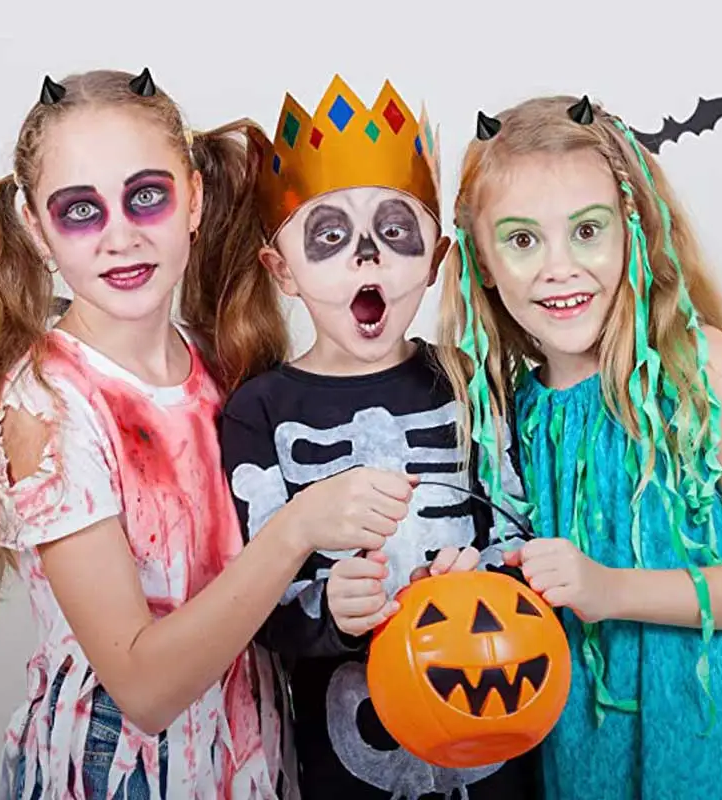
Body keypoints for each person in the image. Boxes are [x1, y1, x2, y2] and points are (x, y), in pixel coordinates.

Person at [0, 68, 411, 800]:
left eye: (147, 196)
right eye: (80, 210)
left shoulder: (221, 364)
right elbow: (144, 689)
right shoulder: (48, 409)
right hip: (116, 773)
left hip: (248, 760)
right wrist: (295, 530)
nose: (121, 237)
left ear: (193, 199)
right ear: (37, 229)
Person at [219, 74, 539, 800]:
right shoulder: (257, 411)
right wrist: (327, 611)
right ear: (282, 270)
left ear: (436, 260)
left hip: (494, 726)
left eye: (395, 232)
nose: (367, 257)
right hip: (343, 766)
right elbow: (253, 605)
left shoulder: (473, 379)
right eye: (330, 237)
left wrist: (484, 577)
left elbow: (522, 534)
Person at [436, 94, 722, 798]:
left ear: (632, 228)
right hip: (580, 761)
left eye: (586, 230)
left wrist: (612, 590)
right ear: (481, 261)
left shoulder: (697, 371)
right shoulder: (508, 417)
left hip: (714, 753)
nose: (559, 268)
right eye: (523, 240)